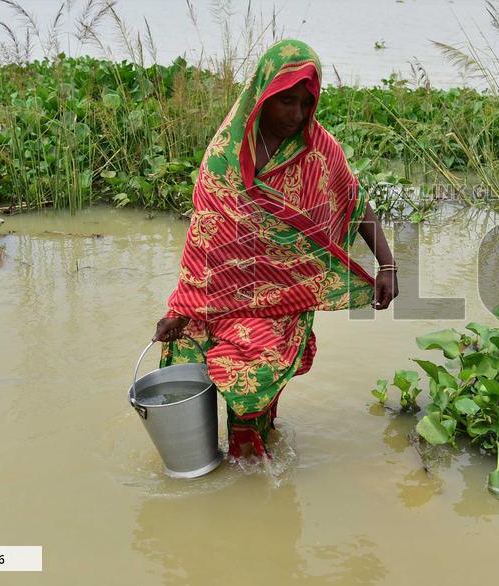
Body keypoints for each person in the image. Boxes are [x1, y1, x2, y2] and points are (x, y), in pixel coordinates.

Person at [152, 39, 398, 460]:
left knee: (254, 373)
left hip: (284, 293)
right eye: (286, 101)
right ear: (263, 93)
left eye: (306, 102)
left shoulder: (318, 150)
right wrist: (182, 307)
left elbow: (354, 201)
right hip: (219, 295)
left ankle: (250, 463)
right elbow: (204, 241)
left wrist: (387, 265)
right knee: (184, 355)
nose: (297, 114)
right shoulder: (225, 156)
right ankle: (211, 467)